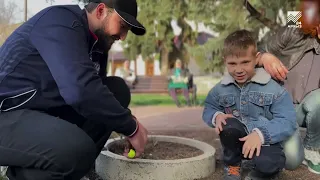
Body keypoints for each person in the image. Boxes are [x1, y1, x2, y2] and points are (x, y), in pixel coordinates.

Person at [0, 0, 148, 179]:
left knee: (117, 92)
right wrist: (132, 128)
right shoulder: (60, 22)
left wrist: (124, 119)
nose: (123, 36)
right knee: (78, 149)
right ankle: (24, 175)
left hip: (37, 114)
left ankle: (63, 169)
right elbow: (80, 90)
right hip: (6, 113)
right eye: (122, 26)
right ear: (101, 11)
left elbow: (98, 94)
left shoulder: (98, 44)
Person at [202, 30, 297, 180]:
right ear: (224, 61)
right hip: (237, 140)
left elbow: (288, 121)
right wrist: (216, 116)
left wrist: (261, 135)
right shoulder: (220, 89)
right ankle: (232, 165)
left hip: (264, 140)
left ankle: (260, 170)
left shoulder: (273, 89)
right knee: (227, 124)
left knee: (271, 164)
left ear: (256, 59)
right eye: (232, 63)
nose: (238, 70)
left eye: (245, 62)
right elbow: (209, 107)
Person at [256, 0, 320, 173]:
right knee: (291, 161)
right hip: (280, 108)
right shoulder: (295, 21)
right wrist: (264, 57)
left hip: (308, 108)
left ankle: (313, 150)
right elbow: (256, 49)